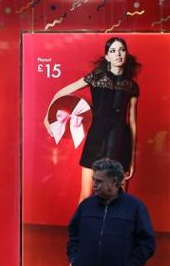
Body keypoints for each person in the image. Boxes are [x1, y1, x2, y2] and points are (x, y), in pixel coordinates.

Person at [45, 37, 140, 198]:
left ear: (126, 53)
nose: (118, 54)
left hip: (120, 141)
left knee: (118, 197)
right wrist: (48, 118)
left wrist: (132, 159)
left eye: (122, 50)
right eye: (113, 51)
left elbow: (132, 123)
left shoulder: (131, 86)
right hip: (95, 140)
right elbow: (61, 93)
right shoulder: (96, 77)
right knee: (86, 195)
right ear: (107, 57)